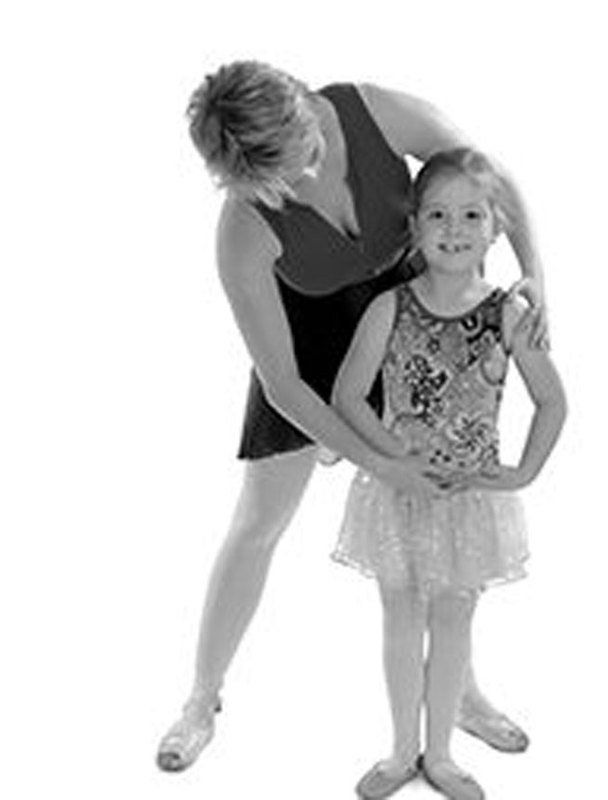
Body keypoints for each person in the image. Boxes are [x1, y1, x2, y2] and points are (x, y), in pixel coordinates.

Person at [156, 60, 547, 772]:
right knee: (260, 521)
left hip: (408, 315)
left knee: (440, 513)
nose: (300, 185)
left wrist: (535, 278)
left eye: (302, 160)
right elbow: (282, 383)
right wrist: (378, 459)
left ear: (305, 107)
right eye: (275, 184)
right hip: (311, 345)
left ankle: (460, 692)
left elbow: (486, 178)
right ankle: (199, 699)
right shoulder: (241, 230)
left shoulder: (372, 111)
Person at [331, 148, 567, 800]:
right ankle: (401, 749)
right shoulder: (390, 308)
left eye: (470, 214)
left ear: (494, 228)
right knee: (401, 620)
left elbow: (553, 401)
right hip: (400, 498)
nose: (453, 228)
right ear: (414, 226)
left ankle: (441, 755)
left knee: (456, 624)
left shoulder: (507, 314)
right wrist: (391, 456)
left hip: (469, 502)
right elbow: (347, 397)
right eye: (437, 213)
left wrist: (520, 474)